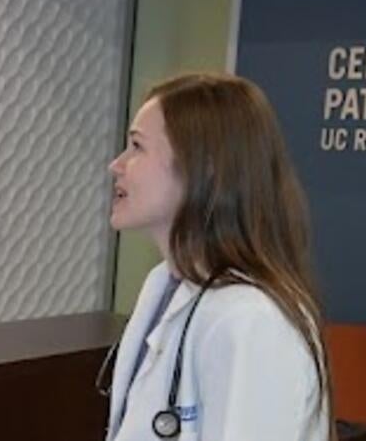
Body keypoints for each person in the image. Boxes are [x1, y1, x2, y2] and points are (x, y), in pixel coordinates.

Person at [102, 73, 331, 441]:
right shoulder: (164, 284)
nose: (117, 164)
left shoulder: (252, 320)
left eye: (136, 146)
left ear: (204, 165)